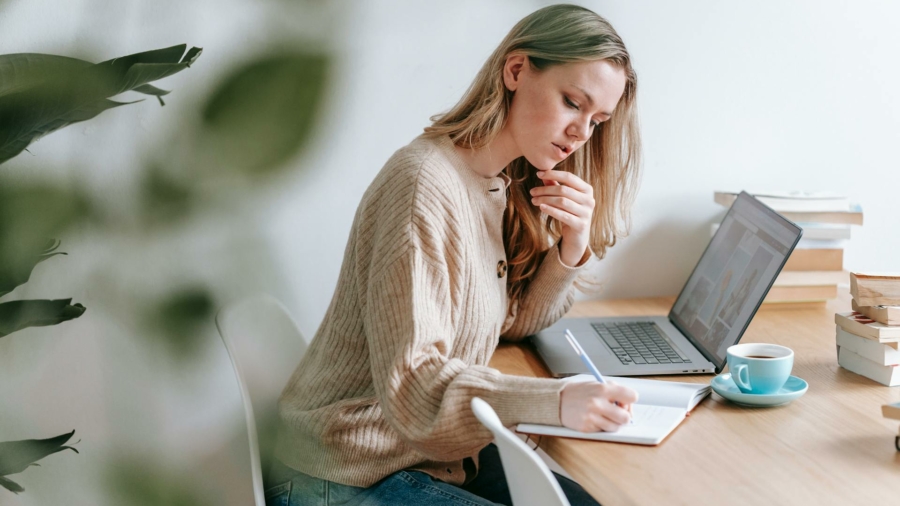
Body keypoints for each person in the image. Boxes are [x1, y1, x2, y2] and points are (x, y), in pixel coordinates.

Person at [266, 4, 642, 505]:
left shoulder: (494, 184)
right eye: (573, 102)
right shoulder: (423, 183)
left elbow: (510, 322)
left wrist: (572, 248)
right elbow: (415, 385)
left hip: (423, 456)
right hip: (344, 472)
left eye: (597, 120)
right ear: (515, 71)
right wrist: (555, 401)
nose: (581, 134)